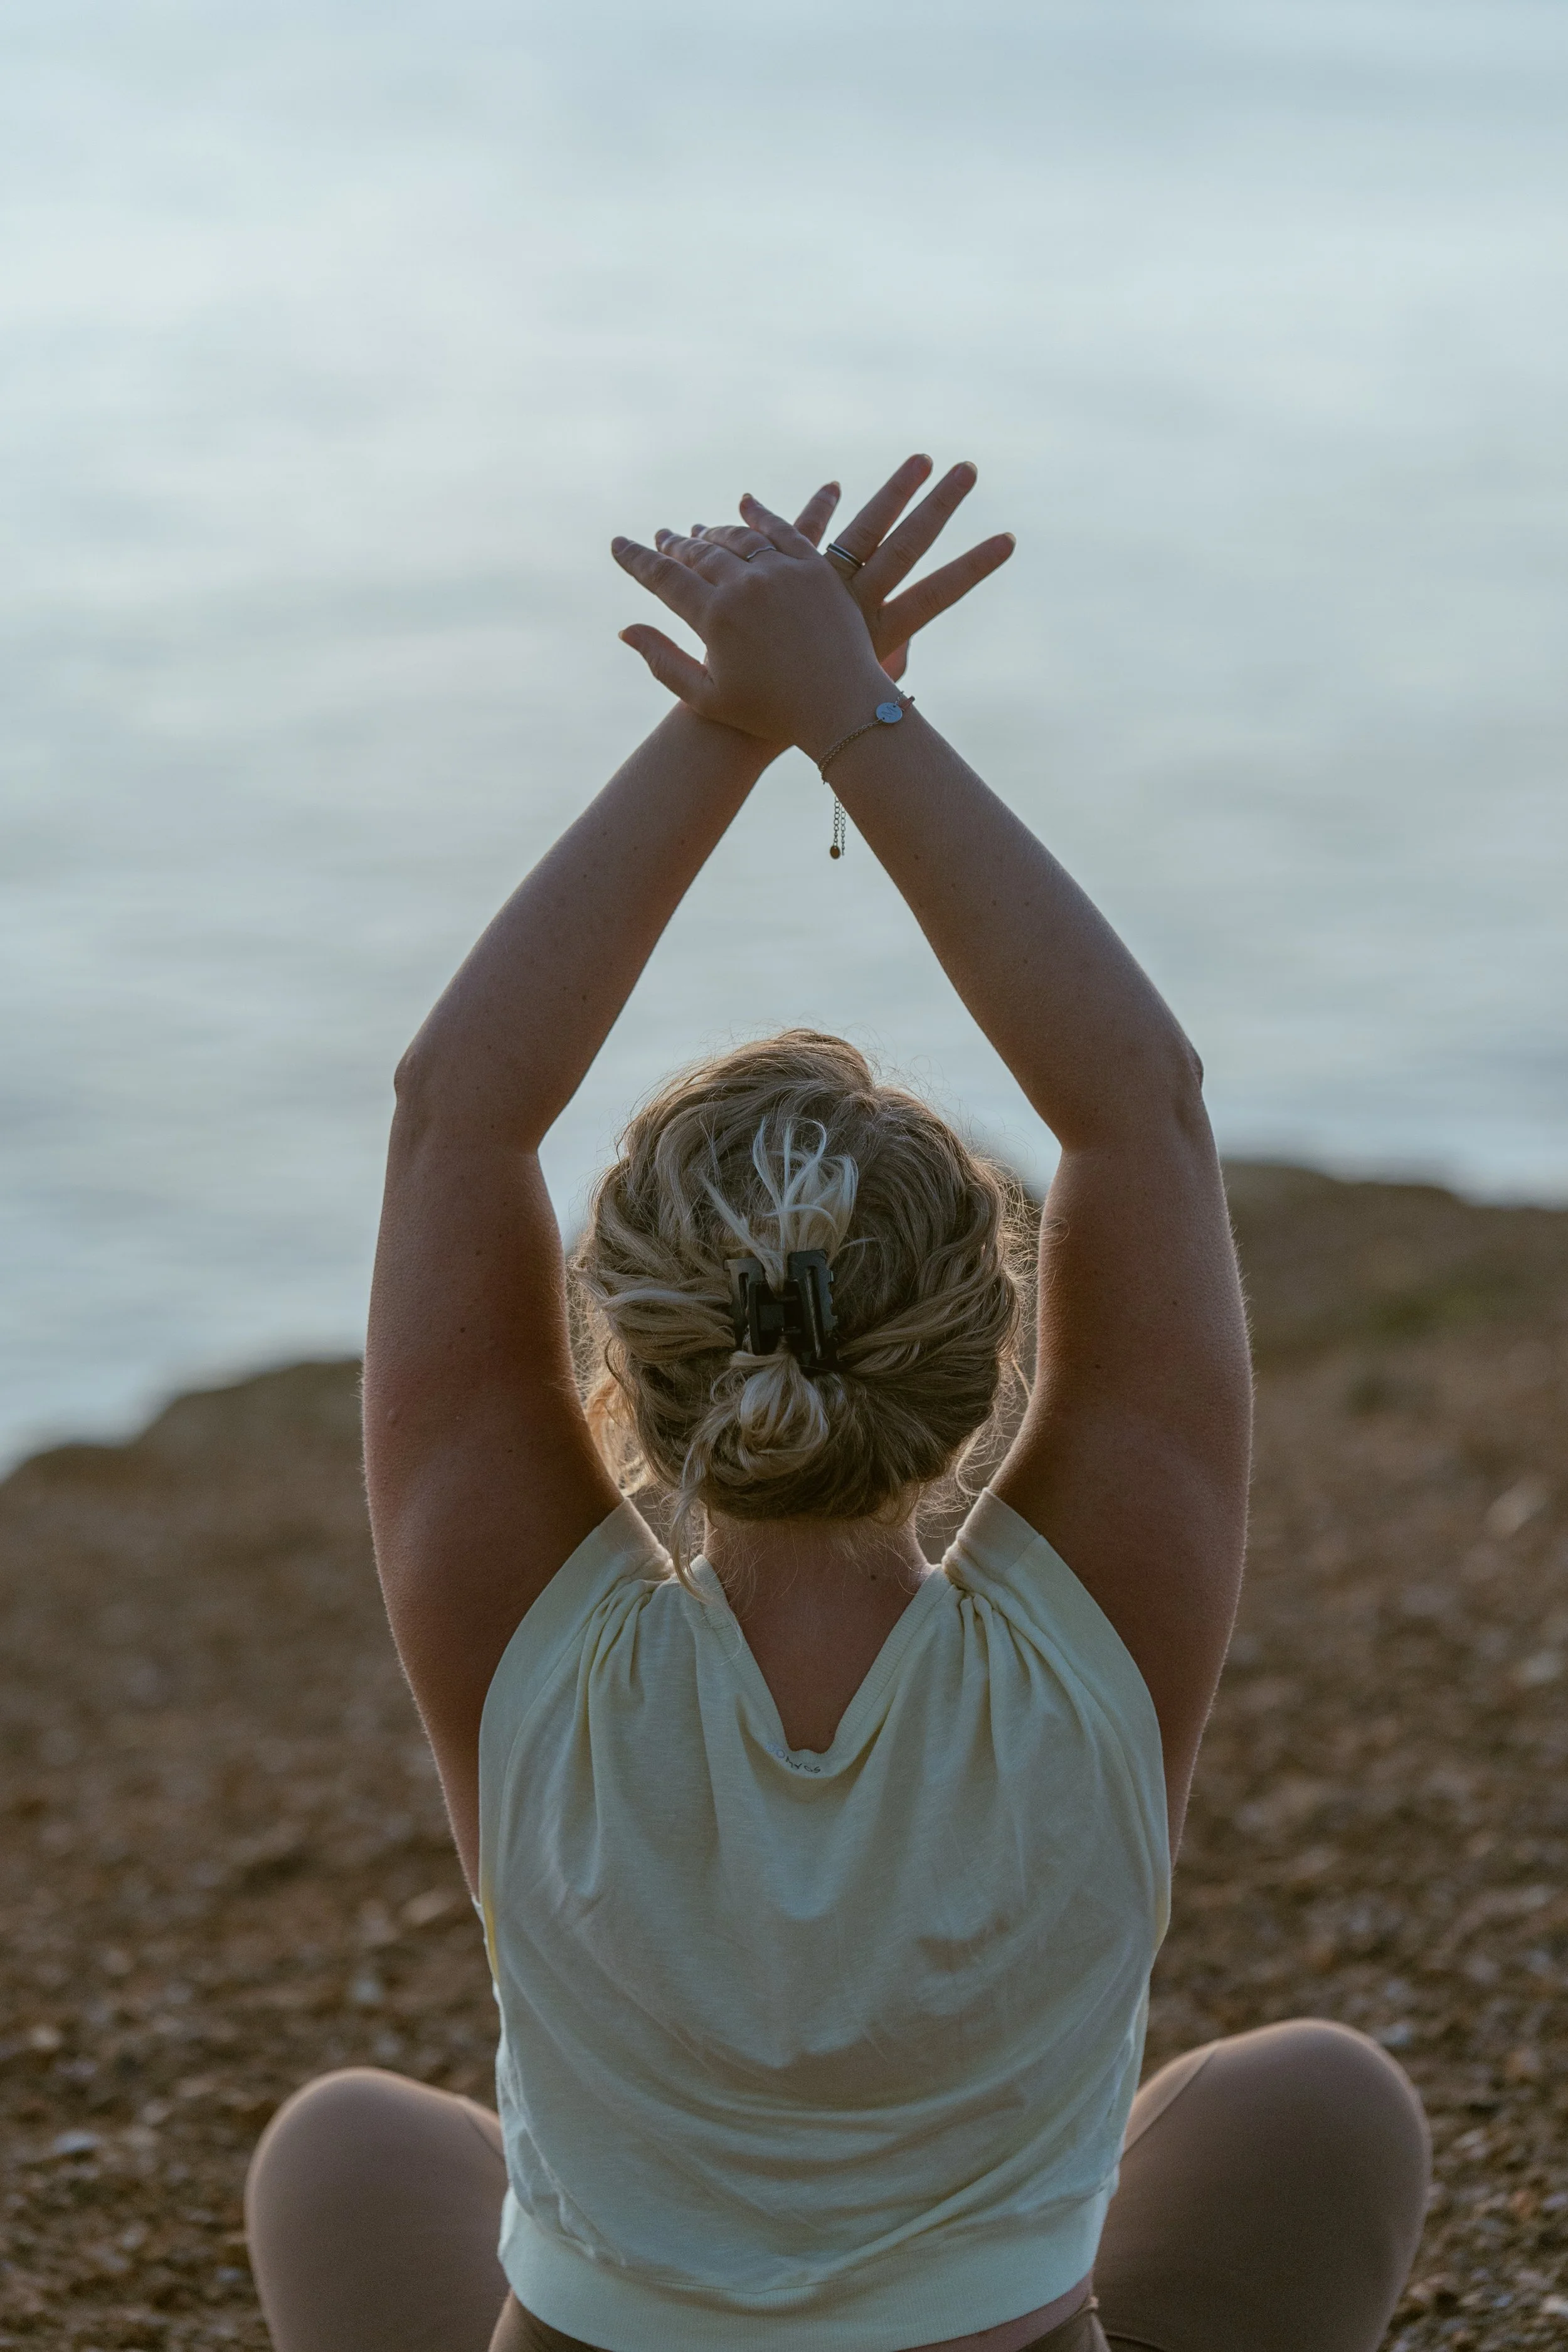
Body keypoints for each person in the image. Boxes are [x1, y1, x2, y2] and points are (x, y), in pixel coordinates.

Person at [245, 457, 1431, 2352]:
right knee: (1317, 2098)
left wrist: (723, 720)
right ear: (988, 1349)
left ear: (622, 1360)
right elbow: (1140, 1102)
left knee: (346, 2148)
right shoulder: (1092, 1653)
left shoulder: (534, 1670)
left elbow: (456, 1107)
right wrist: (849, 714)